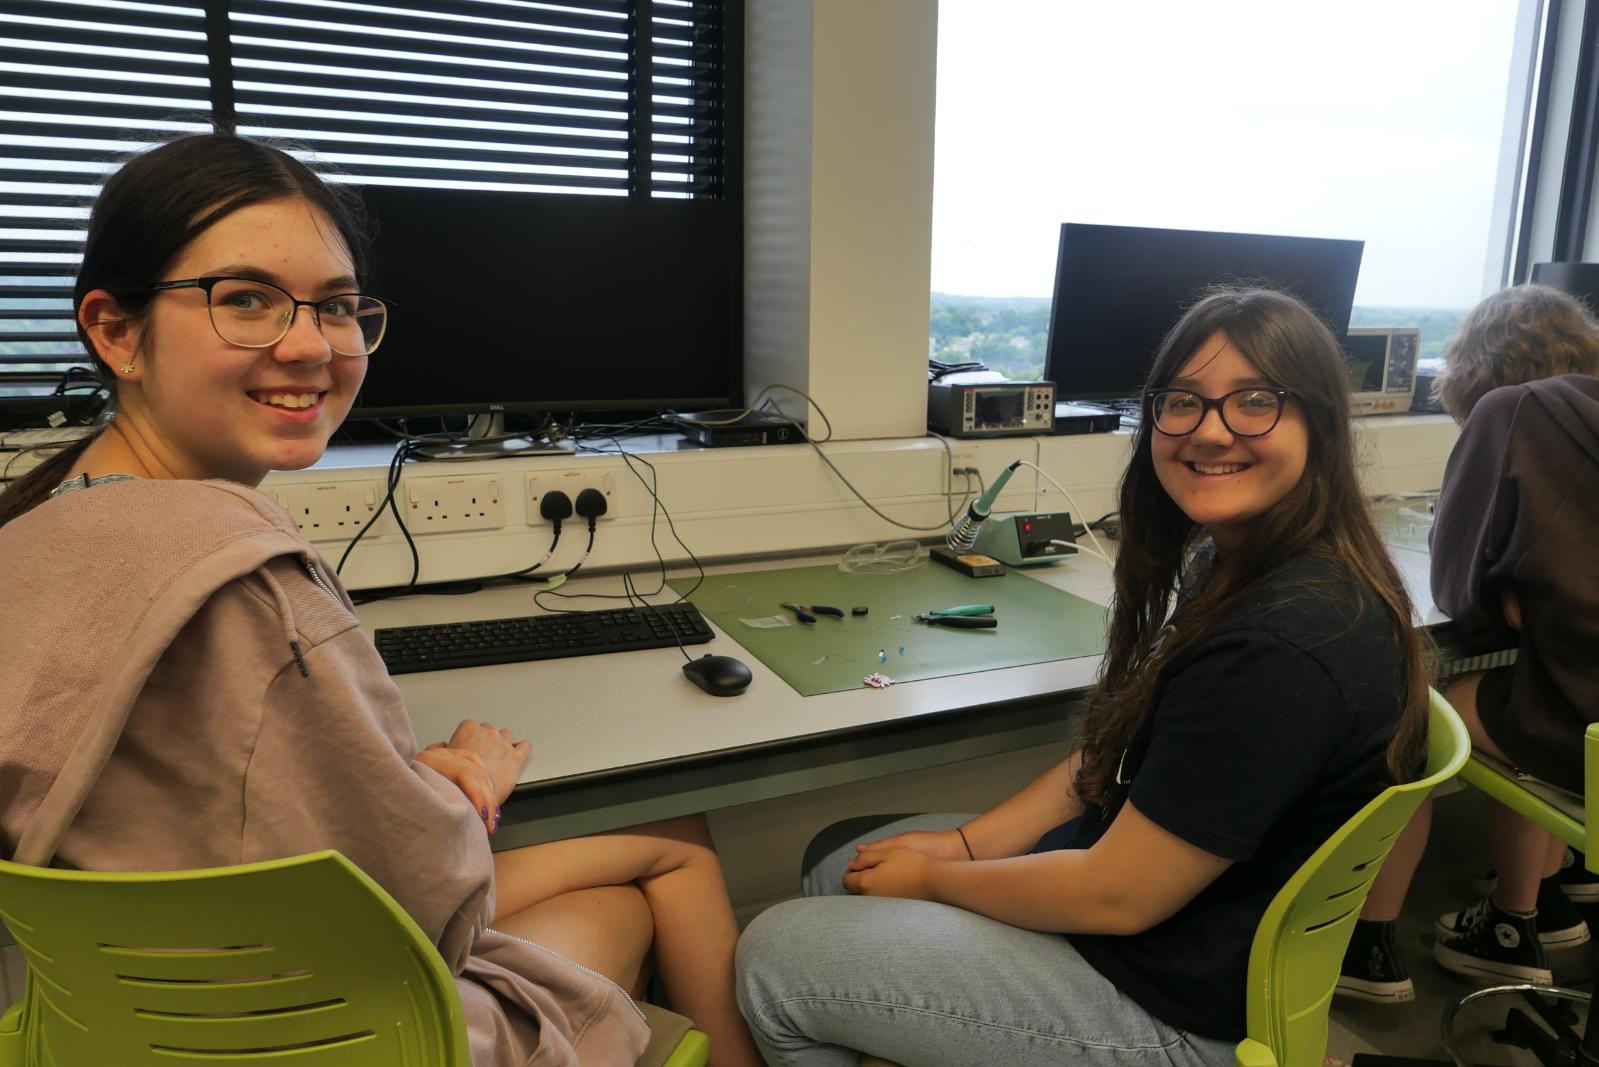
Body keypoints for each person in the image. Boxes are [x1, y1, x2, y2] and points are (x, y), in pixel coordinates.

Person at [0, 133, 761, 1067]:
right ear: (115, 331)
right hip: (321, 1025)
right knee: (667, 849)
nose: (313, 344)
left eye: (338, 307)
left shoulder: (33, 532)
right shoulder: (244, 576)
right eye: (246, 299)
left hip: (124, 1025)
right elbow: (421, 897)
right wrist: (457, 778)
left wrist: (392, 764)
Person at [734, 288, 1429, 1067]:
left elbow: (1116, 893)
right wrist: (962, 847)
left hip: (1171, 1008)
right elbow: (1109, 755)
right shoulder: (1237, 564)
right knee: (840, 858)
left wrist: (936, 880)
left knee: (772, 956)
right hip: (1164, 935)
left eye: (1254, 402)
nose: (1210, 429)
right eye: (1183, 402)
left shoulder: (1282, 643)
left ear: (1319, 425)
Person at [1337, 284, 1599, 1001]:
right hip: (1588, 716)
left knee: (1411, 714)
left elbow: (1458, 594)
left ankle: (1366, 942)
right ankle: (1533, 904)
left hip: (1579, 725)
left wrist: (1513, 590)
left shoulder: (1511, 410)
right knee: (1520, 685)